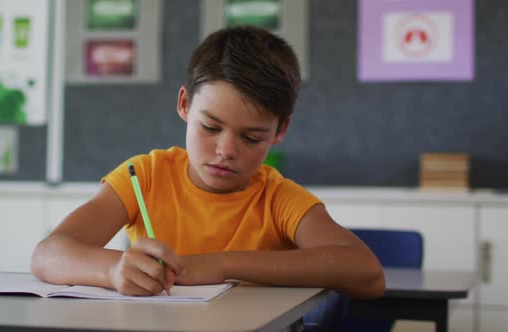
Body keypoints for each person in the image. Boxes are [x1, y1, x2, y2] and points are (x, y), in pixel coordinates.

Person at [31, 26, 385, 300]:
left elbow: (367, 274)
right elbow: (48, 254)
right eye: (210, 127)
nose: (226, 150)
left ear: (281, 131)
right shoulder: (146, 176)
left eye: (251, 138)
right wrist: (112, 270)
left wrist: (222, 264)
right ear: (185, 105)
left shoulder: (277, 199)